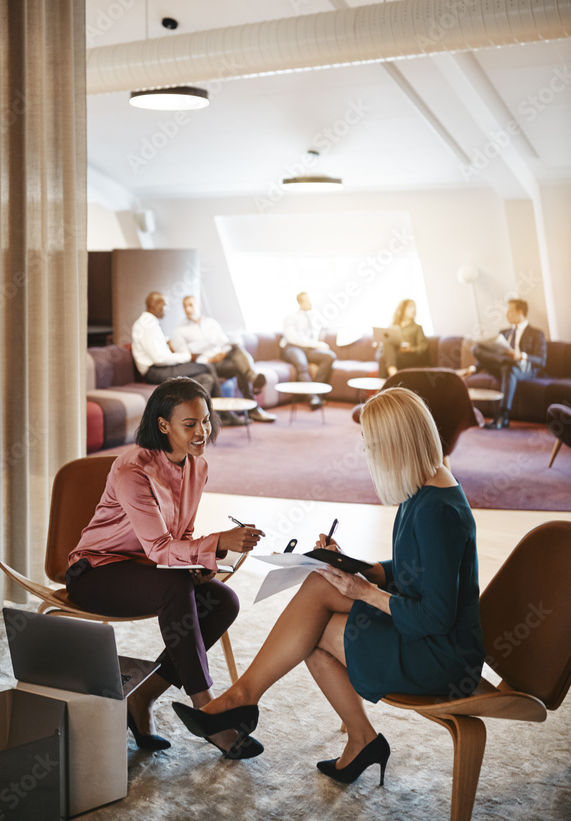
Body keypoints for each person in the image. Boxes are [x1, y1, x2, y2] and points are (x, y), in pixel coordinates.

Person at [173, 387, 485, 786]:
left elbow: (436, 616)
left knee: (313, 629)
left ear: (396, 444)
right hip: (427, 633)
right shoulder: (426, 487)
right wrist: (360, 569)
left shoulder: (436, 511)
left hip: (443, 657)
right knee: (320, 585)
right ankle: (336, 731)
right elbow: (418, 566)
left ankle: (247, 702)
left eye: (372, 445)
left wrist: (364, 592)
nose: (369, 454)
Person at [66, 377, 266, 758]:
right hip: (96, 572)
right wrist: (218, 543)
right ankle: (207, 711)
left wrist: (201, 564)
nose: (202, 431)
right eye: (189, 424)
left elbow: (181, 533)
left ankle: (140, 700)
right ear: (163, 425)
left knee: (223, 600)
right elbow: (160, 549)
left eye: (205, 421)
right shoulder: (133, 471)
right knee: (174, 587)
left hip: (149, 571)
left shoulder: (197, 467)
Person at [170, 295, 276, 423]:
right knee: (239, 368)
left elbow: (223, 342)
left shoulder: (212, 323)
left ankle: (253, 380)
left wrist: (224, 351)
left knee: (237, 349)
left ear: (199, 306)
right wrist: (210, 359)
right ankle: (253, 406)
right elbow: (185, 357)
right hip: (206, 364)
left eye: (191, 305)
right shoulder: (179, 330)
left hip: (222, 358)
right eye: (185, 306)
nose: (188, 309)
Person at [465, 298, 546, 430]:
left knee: (510, 368)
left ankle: (503, 415)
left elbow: (541, 360)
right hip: (502, 364)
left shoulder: (536, 333)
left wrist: (521, 356)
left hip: (523, 368)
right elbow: (490, 354)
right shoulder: (504, 332)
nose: (507, 314)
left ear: (520, 312)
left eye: (510, 311)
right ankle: (506, 361)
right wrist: (474, 368)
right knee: (477, 349)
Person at [131, 291, 218, 396]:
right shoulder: (147, 325)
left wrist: (167, 341)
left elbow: (154, 343)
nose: (167, 310)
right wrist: (188, 357)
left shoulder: (149, 322)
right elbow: (159, 359)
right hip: (155, 372)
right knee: (206, 367)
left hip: (160, 369)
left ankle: (211, 411)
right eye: (165, 305)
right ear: (155, 305)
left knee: (206, 378)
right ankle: (220, 410)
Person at [280, 291, 336, 409]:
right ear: (300, 302)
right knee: (302, 364)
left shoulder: (312, 317)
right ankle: (312, 398)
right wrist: (315, 344)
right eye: (308, 300)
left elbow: (312, 336)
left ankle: (317, 393)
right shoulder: (291, 317)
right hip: (293, 348)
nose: (311, 303)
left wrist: (315, 344)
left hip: (308, 349)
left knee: (329, 356)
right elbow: (292, 338)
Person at [378, 299, 429, 378]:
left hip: (409, 356)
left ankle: (389, 382)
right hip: (395, 355)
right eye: (410, 306)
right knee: (385, 352)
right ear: (402, 309)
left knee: (383, 358)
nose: (413, 309)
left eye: (414, 307)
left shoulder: (417, 328)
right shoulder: (393, 327)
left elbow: (423, 347)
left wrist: (411, 349)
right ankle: (393, 375)